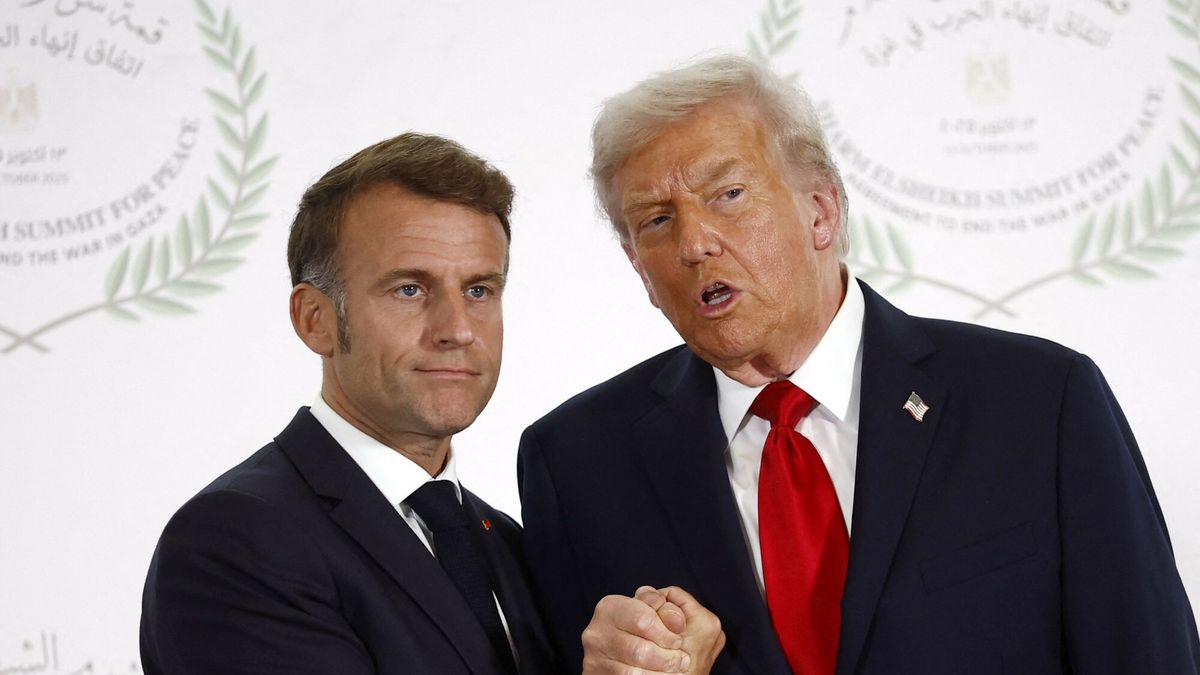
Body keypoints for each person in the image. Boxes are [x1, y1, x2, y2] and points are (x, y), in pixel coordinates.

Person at [518, 54, 1200, 674]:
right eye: (657, 221)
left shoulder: (1040, 404)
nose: (695, 242)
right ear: (638, 266)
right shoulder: (578, 463)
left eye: (728, 194)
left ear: (821, 210)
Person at [140, 132, 560, 674]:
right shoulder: (233, 541)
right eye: (410, 289)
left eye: (479, 290)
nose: (457, 329)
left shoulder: (506, 541)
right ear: (315, 319)